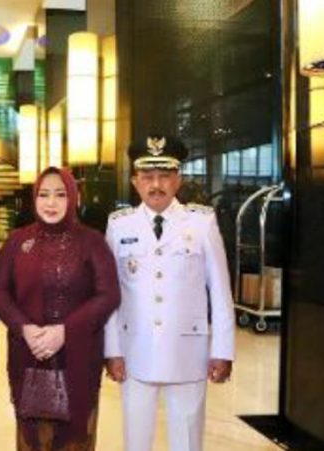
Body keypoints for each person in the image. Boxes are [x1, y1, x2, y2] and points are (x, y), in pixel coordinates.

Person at [103, 135, 235, 451]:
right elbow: (109, 294)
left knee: (187, 440)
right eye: (147, 177)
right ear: (135, 181)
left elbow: (220, 290)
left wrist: (223, 350)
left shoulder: (202, 222)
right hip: (135, 351)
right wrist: (112, 350)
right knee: (136, 441)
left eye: (164, 176)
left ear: (178, 180)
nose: (156, 185)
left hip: (187, 351)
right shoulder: (119, 225)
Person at [0, 167, 120, 450]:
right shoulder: (17, 241)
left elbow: (109, 294)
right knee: (31, 439)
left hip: (79, 357)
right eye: (44, 194)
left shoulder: (92, 241)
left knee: (76, 439)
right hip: (29, 354)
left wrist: (65, 331)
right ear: (34, 198)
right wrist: (24, 328)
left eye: (60, 195)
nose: (51, 203)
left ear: (74, 197)